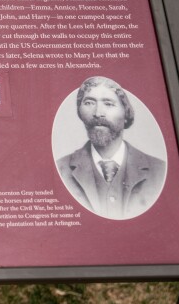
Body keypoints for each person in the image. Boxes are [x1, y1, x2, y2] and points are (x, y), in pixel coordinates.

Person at [56, 76, 166, 219]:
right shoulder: (61, 170)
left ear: (126, 113)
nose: (97, 113)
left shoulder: (159, 171)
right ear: (80, 112)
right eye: (89, 103)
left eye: (108, 104)